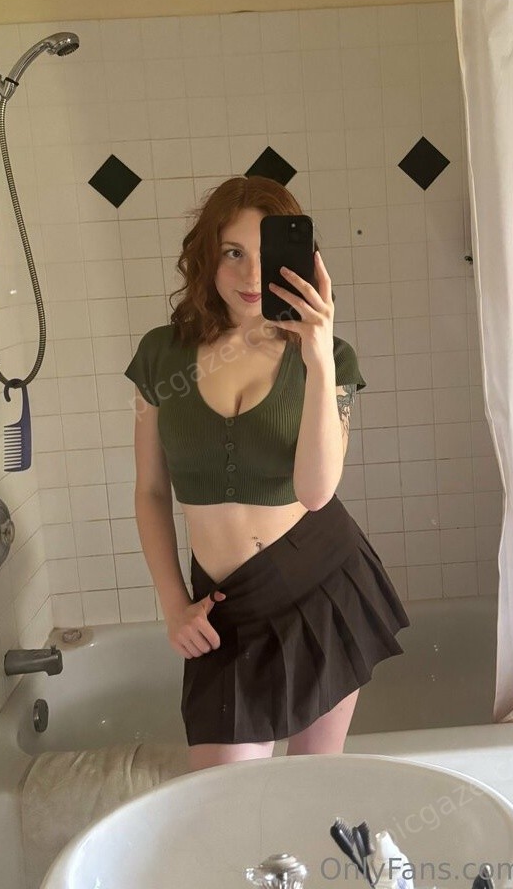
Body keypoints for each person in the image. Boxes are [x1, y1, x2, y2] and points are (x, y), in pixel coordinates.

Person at [125, 175, 409, 771]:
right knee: (225, 801)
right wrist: (173, 604)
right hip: (223, 611)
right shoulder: (160, 355)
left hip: (321, 585)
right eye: (233, 252)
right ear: (207, 255)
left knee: (310, 788)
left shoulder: (331, 360)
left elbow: (315, 491)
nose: (251, 274)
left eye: (265, 253)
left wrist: (318, 353)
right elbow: (150, 491)